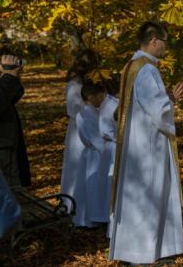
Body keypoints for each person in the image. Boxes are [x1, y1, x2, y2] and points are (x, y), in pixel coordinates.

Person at [109, 21, 183, 264]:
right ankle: (142, 252)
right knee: (149, 193)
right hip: (148, 145)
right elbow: (157, 110)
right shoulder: (147, 70)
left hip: (136, 142)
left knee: (139, 195)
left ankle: (135, 250)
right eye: (164, 42)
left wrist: (166, 97)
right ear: (154, 41)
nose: (165, 47)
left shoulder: (131, 65)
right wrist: (171, 99)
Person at [61, 49, 99, 210]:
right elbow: (74, 110)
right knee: (76, 166)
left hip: (88, 127)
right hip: (79, 130)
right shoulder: (74, 85)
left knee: (87, 166)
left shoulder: (85, 84)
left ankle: (86, 206)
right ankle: (72, 204)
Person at [0, 48, 30, 188]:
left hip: (1, 144)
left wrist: (13, 75)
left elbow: (8, 99)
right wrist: (8, 77)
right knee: (7, 193)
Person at [74, 81, 109, 227]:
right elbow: (97, 138)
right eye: (101, 97)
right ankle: (95, 216)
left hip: (95, 153)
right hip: (97, 155)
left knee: (95, 187)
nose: (103, 99)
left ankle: (96, 216)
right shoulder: (87, 115)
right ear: (91, 97)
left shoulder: (91, 112)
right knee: (95, 187)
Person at [98, 82, 119, 235]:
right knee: (114, 187)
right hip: (115, 147)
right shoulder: (114, 105)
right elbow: (109, 130)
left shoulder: (108, 102)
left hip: (111, 146)